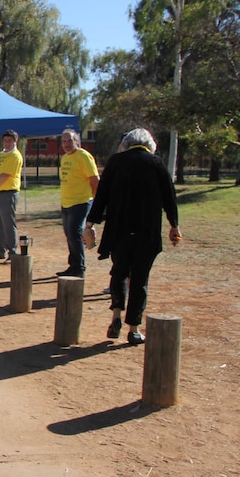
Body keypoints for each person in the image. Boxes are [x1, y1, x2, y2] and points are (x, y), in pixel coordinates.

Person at [85, 128, 181, 345]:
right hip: (147, 231)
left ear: (126, 143)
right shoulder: (156, 164)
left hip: (119, 229)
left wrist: (90, 223)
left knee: (119, 271)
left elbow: (101, 196)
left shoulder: (116, 162)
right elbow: (170, 198)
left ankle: (116, 316)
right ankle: (134, 329)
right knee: (140, 278)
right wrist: (174, 226)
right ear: (150, 144)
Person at [57, 128, 100, 278]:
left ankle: (79, 268)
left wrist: (95, 201)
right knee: (69, 234)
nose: (66, 144)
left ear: (76, 141)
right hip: (67, 203)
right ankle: (73, 265)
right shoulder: (65, 158)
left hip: (81, 202)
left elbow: (95, 180)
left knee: (75, 234)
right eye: (64, 141)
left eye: (70, 141)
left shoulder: (83, 156)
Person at [0, 129, 23, 263]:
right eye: (5, 140)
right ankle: (0, 249)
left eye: (10, 141)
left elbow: (6, 174)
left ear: (15, 141)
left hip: (8, 193)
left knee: (8, 223)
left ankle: (12, 252)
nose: (7, 143)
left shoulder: (15, 156)